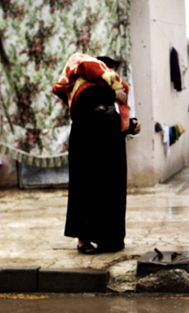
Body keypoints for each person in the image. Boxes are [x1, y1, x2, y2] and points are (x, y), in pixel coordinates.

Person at [52, 53, 141, 254]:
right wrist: (113, 95)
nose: (114, 76)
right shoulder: (84, 89)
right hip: (87, 153)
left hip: (110, 153)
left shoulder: (108, 92)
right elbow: (85, 111)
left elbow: (110, 118)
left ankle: (109, 240)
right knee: (85, 194)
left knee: (109, 198)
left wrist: (130, 126)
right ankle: (82, 240)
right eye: (110, 70)